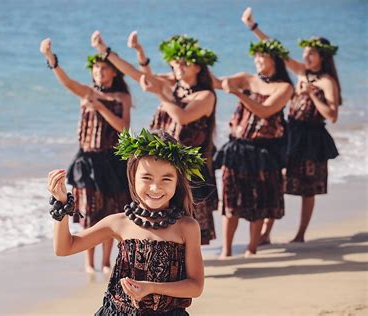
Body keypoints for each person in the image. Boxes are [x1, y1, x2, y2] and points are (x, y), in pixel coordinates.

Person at [48, 129, 204, 315]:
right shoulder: (119, 223)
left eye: (166, 178)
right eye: (146, 177)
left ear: (177, 181)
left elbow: (195, 286)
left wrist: (152, 287)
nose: (155, 187)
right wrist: (62, 205)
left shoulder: (186, 227)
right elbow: (64, 248)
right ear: (132, 177)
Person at [91, 31, 219, 245]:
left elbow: (183, 117)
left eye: (184, 63)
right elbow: (135, 73)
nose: (178, 67)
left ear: (198, 67)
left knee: (187, 221)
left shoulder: (206, 96)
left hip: (186, 164)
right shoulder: (174, 85)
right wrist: (107, 51)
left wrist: (160, 93)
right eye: (175, 63)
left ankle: (188, 262)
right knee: (162, 215)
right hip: (162, 162)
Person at [241, 7, 340, 244]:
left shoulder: (327, 81)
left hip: (313, 137)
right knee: (278, 180)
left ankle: (300, 234)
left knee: (308, 189)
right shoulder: (302, 72)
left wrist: (313, 95)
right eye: (306, 53)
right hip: (290, 132)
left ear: (323, 57)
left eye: (312, 54)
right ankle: (265, 233)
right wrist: (253, 27)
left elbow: (332, 115)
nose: (306, 57)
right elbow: (278, 52)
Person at [39, 37, 131, 273]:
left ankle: (106, 261)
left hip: (111, 161)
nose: (99, 71)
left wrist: (100, 106)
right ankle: (89, 263)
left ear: (114, 72)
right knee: (89, 211)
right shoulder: (86, 92)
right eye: (96, 67)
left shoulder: (121, 98)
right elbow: (68, 83)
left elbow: (123, 129)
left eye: (104, 67)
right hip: (86, 161)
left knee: (110, 212)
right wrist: (52, 60)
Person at [212, 38, 294, 258]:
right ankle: (226, 250)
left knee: (259, 199)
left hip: (263, 150)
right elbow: (216, 82)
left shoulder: (285, 87)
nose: (257, 60)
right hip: (237, 148)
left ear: (274, 59)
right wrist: (200, 65)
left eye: (262, 56)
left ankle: (252, 248)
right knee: (230, 199)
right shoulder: (246, 78)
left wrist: (238, 93)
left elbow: (265, 111)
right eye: (255, 56)